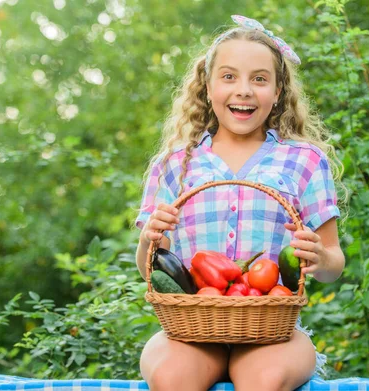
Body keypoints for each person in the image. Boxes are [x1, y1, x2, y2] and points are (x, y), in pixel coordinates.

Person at [134, 15, 346, 391]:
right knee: (170, 378)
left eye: (260, 79)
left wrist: (320, 256)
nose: (244, 90)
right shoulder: (174, 165)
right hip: (193, 328)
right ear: (208, 86)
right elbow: (148, 269)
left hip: (273, 329)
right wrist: (149, 239)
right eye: (229, 76)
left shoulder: (305, 161)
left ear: (279, 91)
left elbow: (333, 265)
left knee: (264, 381)